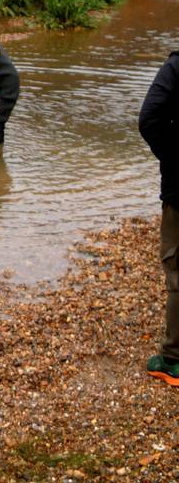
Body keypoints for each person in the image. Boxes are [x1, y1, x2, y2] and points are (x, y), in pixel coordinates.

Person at [139, 52, 179, 386]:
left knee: (177, 268)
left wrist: (173, 158)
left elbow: (149, 119)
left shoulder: (177, 65)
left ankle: (173, 360)